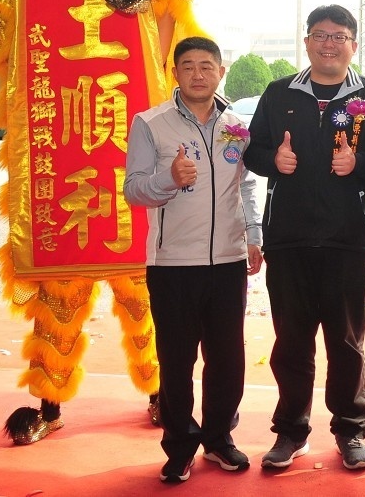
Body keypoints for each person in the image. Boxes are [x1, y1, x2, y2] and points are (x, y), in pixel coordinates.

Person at [242, 5, 365, 472]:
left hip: (347, 240)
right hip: (288, 239)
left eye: (340, 36)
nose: (330, 44)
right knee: (290, 341)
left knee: (346, 341)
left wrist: (359, 165)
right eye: (320, 35)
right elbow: (251, 149)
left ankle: (350, 430)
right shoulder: (278, 92)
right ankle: (291, 430)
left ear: (354, 44)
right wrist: (274, 161)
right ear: (306, 41)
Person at [124, 36, 263, 484]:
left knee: (227, 358)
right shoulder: (151, 123)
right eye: (188, 66)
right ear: (175, 73)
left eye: (207, 65)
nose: (198, 74)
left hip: (227, 260)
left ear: (221, 71)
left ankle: (220, 438)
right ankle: (180, 446)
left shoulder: (238, 125)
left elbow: (245, 186)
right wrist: (168, 178)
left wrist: (254, 235)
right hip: (172, 264)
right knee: (177, 360)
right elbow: (133, 188)